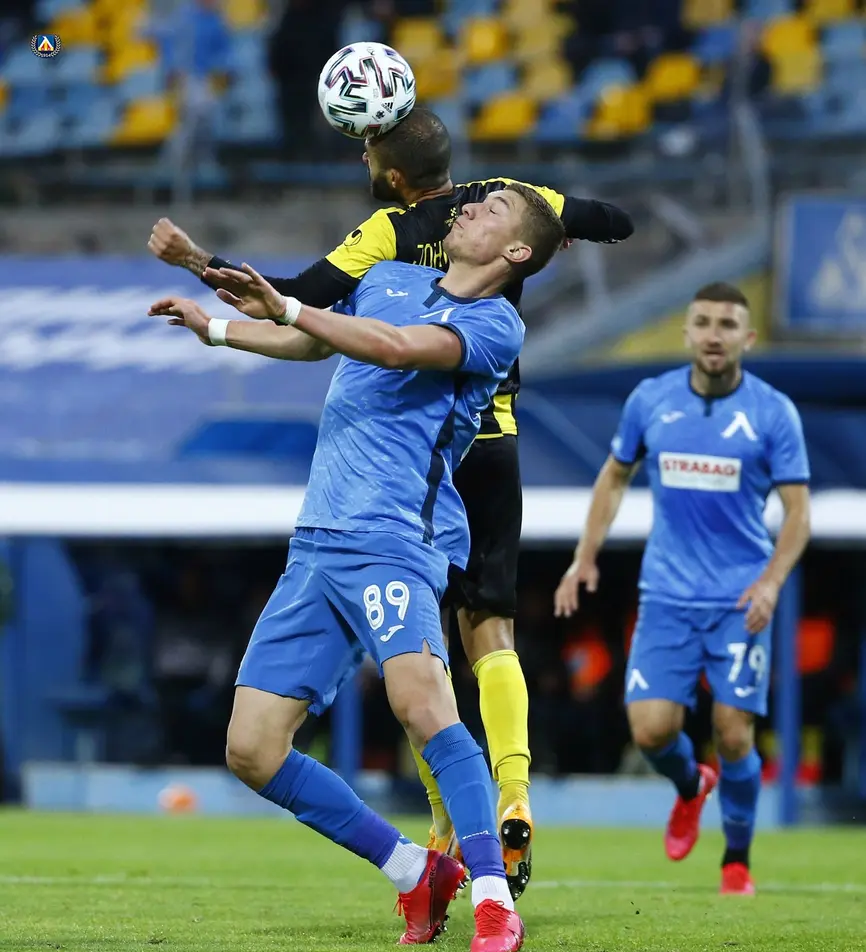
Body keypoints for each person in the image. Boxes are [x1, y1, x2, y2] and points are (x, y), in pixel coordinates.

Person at [147, 106, 634, 900]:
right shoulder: (399, 266)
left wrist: (220, 271)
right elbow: (312, 331)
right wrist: (217, 332)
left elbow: (374, 336)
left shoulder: (485, 315)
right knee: (260, 745)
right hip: (330, 531)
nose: (471, 207)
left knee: (426, 696)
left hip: (409, 513)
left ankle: (491, 873)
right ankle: (424, 861)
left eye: (492, 208)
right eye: (474, 200)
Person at [554, 282, 811, 895]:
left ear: (748, 337)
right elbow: (614, 477)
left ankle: (736, 860)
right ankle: (692, 785)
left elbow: (798, 513)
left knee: (733, 732)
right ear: (688, 331)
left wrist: (772, 583)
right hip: (667, 595)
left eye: (727, 324)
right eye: (704, 322)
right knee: (650, 732)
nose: (714, 334)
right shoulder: (651, 399)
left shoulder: (773, 412)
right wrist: (584, 556)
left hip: (740, 599)